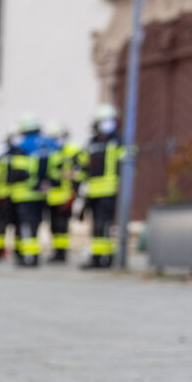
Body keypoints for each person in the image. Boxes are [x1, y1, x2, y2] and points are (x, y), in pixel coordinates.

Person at [76, 104, 124, 269]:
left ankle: (104, 258)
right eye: (103, 121)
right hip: (93, 192)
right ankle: (98, 257)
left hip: (109, 191)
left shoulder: (118, 141)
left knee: (102, 225)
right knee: (96, 226)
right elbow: (82, 167)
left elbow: (127, 164)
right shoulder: (91, 143)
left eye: (109, 121)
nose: (106, 124)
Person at [9, 112, 57, 267]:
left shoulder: (20, 146)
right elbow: (58, 167)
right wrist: (47, 183)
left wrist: (34, 183)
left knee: (27, 227)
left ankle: (30, 258)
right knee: (36, 225)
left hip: (25, 194)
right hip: (42, 194)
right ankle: (33, 256)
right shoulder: (50, 144)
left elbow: (18, 172)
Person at [44, 122, 82, 263]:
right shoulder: (48, 154)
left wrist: (74, 189)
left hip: (66, 196)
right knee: (53, 226)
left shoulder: (72, 151)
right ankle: (57, 252)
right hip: (51, 197)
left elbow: (81, 169)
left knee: (62, 226)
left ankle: (62, 253)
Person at [0, 125, 20, 260]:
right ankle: (1, 250)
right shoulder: (3, 158)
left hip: (12, 197)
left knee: (14, 225)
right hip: (9, 197)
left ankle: (15, 250)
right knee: (3, 226)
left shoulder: (4, 158)